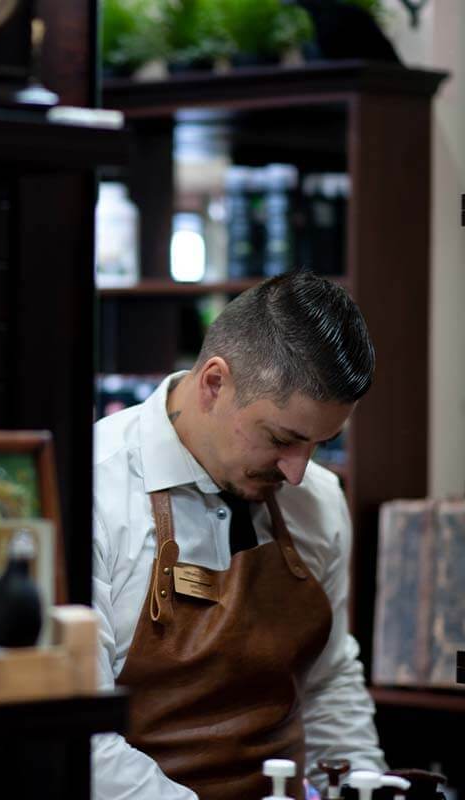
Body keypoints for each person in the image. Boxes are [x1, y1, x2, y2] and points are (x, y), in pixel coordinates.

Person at [91, 271, 387, 800]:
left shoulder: (317, 501)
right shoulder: (95, 488)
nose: (298, 471)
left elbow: (327, 683)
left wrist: (361, 786)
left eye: (320, 444)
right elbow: (86, 738)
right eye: (282, 438)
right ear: (214, 383)